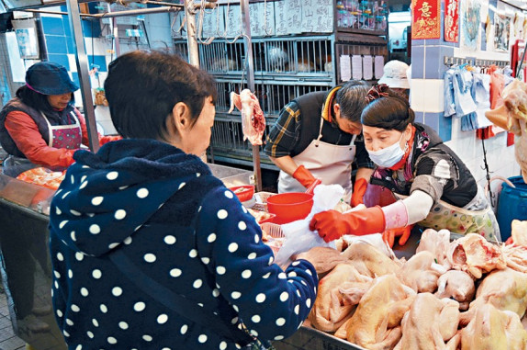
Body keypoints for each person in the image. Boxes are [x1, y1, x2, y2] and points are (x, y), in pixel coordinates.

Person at [48, 51, 319, 349]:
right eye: (210, 115)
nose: (210, 126)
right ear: (181, 116)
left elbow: (65, 305)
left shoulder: (74, 189)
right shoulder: (205, 201)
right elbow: (276, 317)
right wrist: (305, 268)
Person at [309, 85, 500, 246]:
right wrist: (403, 221)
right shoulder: (396, 158)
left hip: (473, 238)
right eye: (368, 139)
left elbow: (420, 204)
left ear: (407, 131)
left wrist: (350, 222)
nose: (376, 147)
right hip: (435, 238)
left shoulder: (435, 159)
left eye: (383, 138)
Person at [264, 81, 374, 205]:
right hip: (297, 196)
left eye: (362, 129)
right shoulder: (300, 110)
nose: (358, 132)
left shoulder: (365, 123)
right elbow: (274, 150)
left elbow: (366, 162)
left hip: (340, 200)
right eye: (352, 126)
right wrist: (308, 181)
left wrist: (359, 192)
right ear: (337, 109)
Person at [0, 62, 115, 177]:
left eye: (68, 91)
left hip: (63, 173)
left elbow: (94, 139)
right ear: (39, 93)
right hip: (29, 178)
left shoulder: (70, 111)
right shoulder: (17, 113)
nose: (67, 97)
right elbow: (37, 153)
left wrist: (123, 143)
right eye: (59, 92)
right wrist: (83, 157)